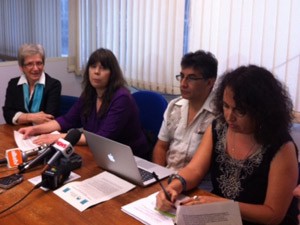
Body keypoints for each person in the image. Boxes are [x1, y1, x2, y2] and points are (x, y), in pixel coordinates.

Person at [156, 65, 299, 225]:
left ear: (261, 111)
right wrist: (174, 187)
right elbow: (195, 169)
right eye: (225, 106)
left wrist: (224, 206)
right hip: (221, 217)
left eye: (240, 111)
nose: (229, 116)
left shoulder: (281, 147)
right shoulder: (218, 127)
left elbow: (273, 215)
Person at [18, 48, 150, 159]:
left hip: (131, 159)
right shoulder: (90, 93)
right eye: (93, 66)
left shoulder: (122, 98)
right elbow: (66, 120)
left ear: (112, 74)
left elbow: (101, 138)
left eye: (103, 68)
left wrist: (57, 137)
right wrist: (35, 129)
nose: (96, 72)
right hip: (102, 154)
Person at [152, 50, 218, 171]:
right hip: (167, 176)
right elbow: (161, 147)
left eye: (191, 78)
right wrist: (160, 177)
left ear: (209, 82)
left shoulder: (219, 114)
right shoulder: (174, 106)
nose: (183, 84)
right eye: (182, 76)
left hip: (198, 185)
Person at [3, 43, 62, 125]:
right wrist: (32, 117)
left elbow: (49, 118)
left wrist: (20, 117)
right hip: (19, 132)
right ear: (21, 67)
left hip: (43, 133)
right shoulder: (13, 84)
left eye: (39, 63)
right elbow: (7, 115)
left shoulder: (53, 85)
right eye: (30, 64)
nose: (35, 68)